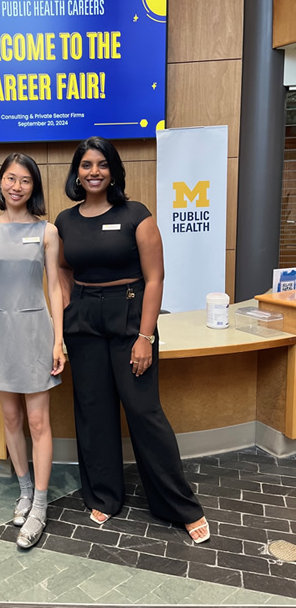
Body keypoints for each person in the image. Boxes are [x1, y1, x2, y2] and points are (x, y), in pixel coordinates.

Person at [54, 136, 209, 544]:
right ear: (76, 172)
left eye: (102, 164)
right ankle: (105, 496)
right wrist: (71, 307)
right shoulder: (64, 222)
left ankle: (179, 506)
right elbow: (63, 269)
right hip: (84, 320)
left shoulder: (136, 215)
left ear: (114, 170)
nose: (93, 172)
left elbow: (155, 278)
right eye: (86, 165)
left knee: (143, 411)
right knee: (93, 410)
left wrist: (145, 336)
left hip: (130, 318)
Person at [0, 153, 65, 549]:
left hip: (34, 332)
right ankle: (24, 491)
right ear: (0, 183)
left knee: (38, 422)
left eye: (25, 180)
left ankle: (41, 506)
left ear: (34, 187)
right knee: (10, 419)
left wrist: (58, 339)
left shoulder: (47, 231)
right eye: (10, 179)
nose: (16, 186)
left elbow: (56, 288)